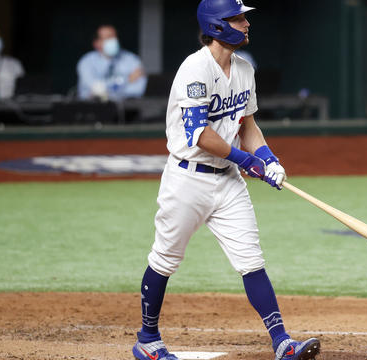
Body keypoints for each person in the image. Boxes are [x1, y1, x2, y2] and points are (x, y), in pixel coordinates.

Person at [131, 1, 320, 360]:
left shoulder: (245, 69)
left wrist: (268, 158)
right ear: (217, 26)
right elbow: (199, 134)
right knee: (165, 259)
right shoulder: (194, 69)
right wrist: (246, 159)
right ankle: (148, 340)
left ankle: (283, 342)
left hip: (228, 182)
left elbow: (247, 125)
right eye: (238, 18)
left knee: (251, 260)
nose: (246, 23)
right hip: (187, 181)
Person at [77, 25, 146, 101]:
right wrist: (126, 80)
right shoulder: (87, 61)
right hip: (91, 107)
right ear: (96, 43)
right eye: (108, 37)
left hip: (126, 107)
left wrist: (108, 92)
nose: (113, 40)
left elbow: (138, 90)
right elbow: (97, 89)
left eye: (114, 37)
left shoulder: (131, 59)